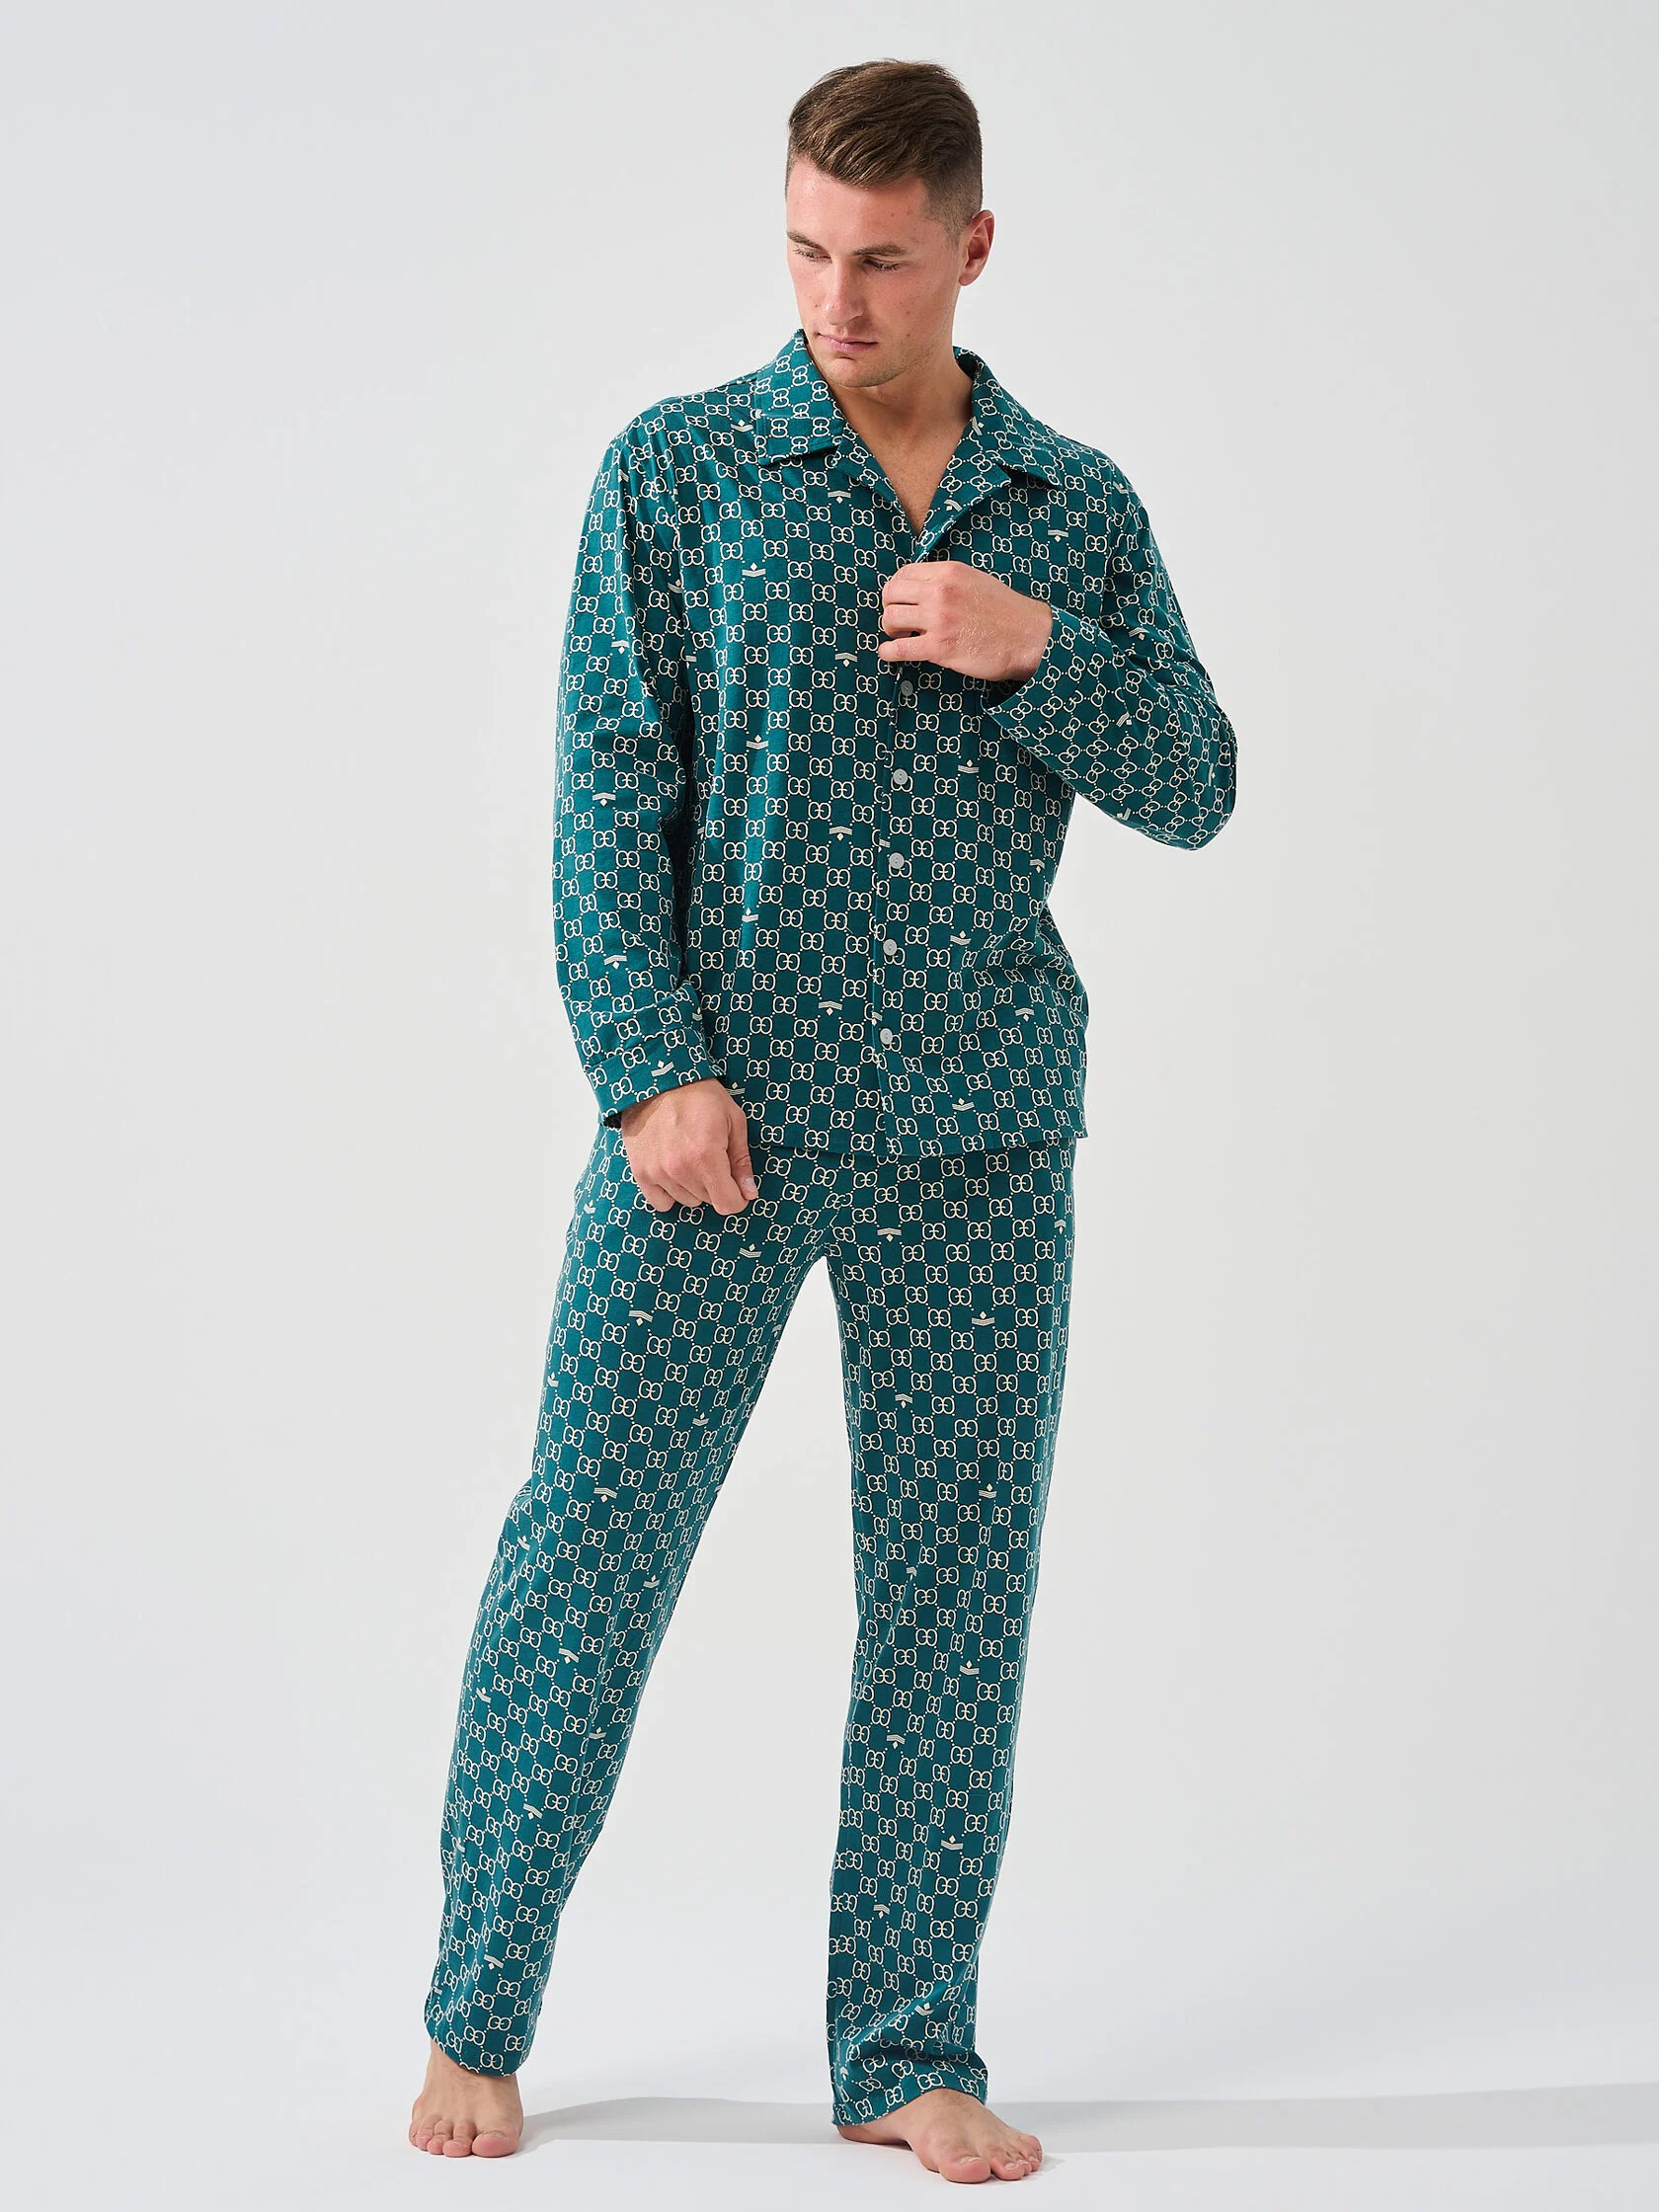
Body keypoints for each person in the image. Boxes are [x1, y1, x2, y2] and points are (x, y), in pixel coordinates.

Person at [408, 54, 1235, 2185]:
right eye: (802, 252)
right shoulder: (683, 469)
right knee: (589, 1551)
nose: (834, 302)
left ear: (972, 245)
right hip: (718, 1126)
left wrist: (1035, 650)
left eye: (878, 260)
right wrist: (648, 1066)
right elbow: (611, 790)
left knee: (956, 1591)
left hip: (981, 1125)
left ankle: (902, 2045)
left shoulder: (1072, 509)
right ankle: (476, 2008)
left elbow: (1201, 784)